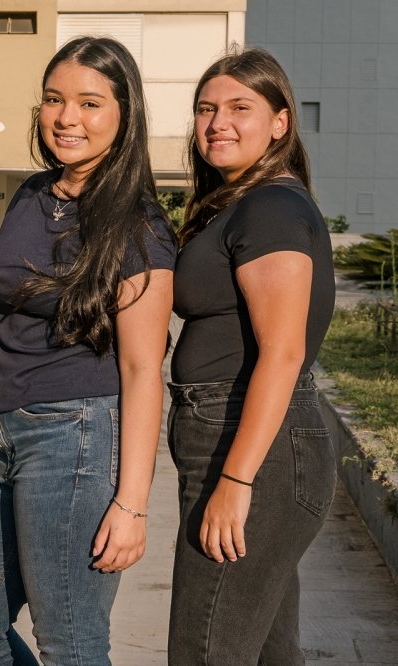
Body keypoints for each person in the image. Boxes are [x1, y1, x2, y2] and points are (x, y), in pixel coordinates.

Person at [0, 37, 176, 665]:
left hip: (78, 437)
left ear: (125, 115)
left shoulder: (138, 224)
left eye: (89, 103)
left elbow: (142, 369)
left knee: (70, 643)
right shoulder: (32, 194)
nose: (67, 117)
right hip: (13, 436)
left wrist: (131, 505)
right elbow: (7, 307)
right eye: (54, 99)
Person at [166, 48, 335, 665]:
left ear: (280, 122)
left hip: (250, 448)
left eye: (240, 107)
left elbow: (284, 353)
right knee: (267, 654)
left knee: (204, 650)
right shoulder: (243, 204)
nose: (218, 123)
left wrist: (236, 483)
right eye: (206, 109)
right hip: (238, 436)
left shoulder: (270, 208)